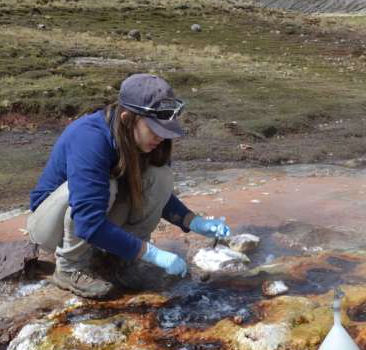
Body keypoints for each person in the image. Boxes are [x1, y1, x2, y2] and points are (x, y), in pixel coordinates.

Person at [26, 73, 230, 298]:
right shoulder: (89, 138)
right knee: (108, 186)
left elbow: (156, 194)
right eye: (154, 129)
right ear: (126, 118)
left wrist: (193, 221)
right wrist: (151, 253)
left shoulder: (148, 143)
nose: (161, 138)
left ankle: (122, 259)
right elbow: (87, 221)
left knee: (160, 176)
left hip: (92, 215)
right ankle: (69, 267)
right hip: (51, 226)